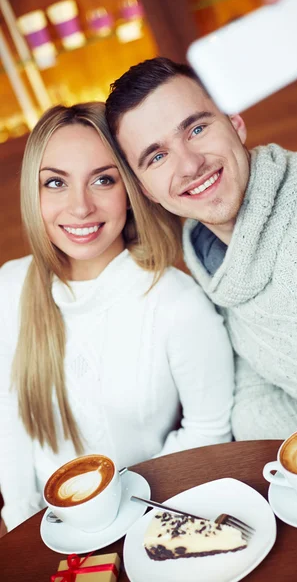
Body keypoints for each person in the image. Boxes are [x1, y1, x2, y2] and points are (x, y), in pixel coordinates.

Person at [105, 0, 297, 465]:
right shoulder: (216, 277)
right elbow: (253, 391)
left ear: (235, 123)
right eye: (157, 156)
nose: (189, 164)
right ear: (143, 188)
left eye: (197, 128)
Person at [0, 102, 234, 534]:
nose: (80, 207)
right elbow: (10, 416)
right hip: (42, 530)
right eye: (55, 183)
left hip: (145, 521)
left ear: (131, 187)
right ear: (33, 195)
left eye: (103, 180)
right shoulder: (10, 288)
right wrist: (19, 519)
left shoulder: (176, 304)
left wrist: (128, 509)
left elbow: (209, 431)